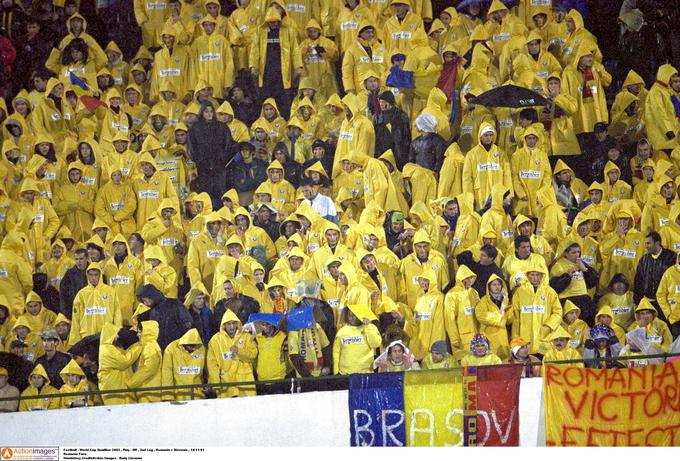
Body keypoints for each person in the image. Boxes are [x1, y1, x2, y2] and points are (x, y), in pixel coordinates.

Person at [188, 101, 235, 203]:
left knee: (221, 194)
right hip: (203, 167)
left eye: (211, 111)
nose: (209, 114)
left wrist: (222, 160)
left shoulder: (221, 127)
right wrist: (199, 160)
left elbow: (229, 145)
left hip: (219, 167)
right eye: (206, 111)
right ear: (202, 113)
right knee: (205, 196)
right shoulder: (195, 128)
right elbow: (191, 148)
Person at [207, 309, 257, 398]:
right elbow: (212, 365)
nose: (232, 326)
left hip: (245, 383)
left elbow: (253, 355)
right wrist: (215, 384)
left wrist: (239, 351)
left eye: (234, 323)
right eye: (228, 324)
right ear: (224, 325)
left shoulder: (246, 337)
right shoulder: (215, 340)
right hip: (226, 385)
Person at [135, 284, 193, 350]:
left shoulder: (174, 304)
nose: (144, 303)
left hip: (176, 347)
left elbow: (187, 323)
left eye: (145, 300)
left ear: (151, 296)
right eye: (143, 301)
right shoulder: (149, 312)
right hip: (159, 349)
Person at [333, 304, 381, 375]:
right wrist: (335, 372)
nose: (353, 318)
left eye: (355, 315)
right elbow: (336, 352)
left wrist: (367, 326)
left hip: (366, 373)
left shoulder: (371, 327)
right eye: (350, 315)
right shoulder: (341, 331)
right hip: (345, 374)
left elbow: (376, 344)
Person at [161, 328, 206, 401]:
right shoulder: (171, 349)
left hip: (197, 395)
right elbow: (167, 374)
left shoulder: (201, 348)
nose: (193, 348)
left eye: (195, 346)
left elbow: (207, 370)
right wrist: (168, 397)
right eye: (191, 345)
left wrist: (209, 386)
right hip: (178, 395)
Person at [373, 91, 411, 169]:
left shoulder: (401, 115)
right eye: (380, 102)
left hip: (398, 153)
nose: (381, 104)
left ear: (390, 102)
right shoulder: (377, 117)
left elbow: (406, 136)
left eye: (383, 102)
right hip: (382, 152)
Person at [127, 320, 162, 403]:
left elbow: (148, 369)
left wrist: (131, 383)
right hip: (147, 390)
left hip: (149, 392)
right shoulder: (148, 345)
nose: (138, 334)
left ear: (147, 333)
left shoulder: (150, 346)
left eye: (140, 332)